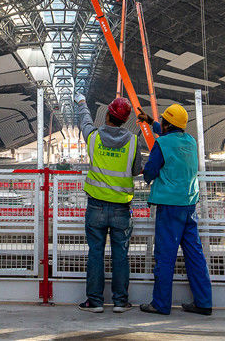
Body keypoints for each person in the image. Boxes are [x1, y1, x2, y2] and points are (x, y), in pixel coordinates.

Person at [137, 103, 212, 316]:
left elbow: (151, 170)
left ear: (167, 124)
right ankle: (204, 302)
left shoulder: (162, 143)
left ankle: (161, 304)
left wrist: (145, 174)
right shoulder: (190, 142)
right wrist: (151, 122)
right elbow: (170, 136)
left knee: (165, 256)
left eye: (163, 120)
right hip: (189, 205)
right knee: (195, 254)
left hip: (169, 207)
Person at [74, 93, 143, 313]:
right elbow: (136, 171)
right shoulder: (133, 141)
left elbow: (85, 122)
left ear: (106, 116)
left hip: (96, 206)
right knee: (120, 254)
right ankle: (120, 302)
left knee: (95, 253)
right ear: (125, 120)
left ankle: (94, 301)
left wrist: (82, 103)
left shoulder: (93, 137)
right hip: (121, 207)